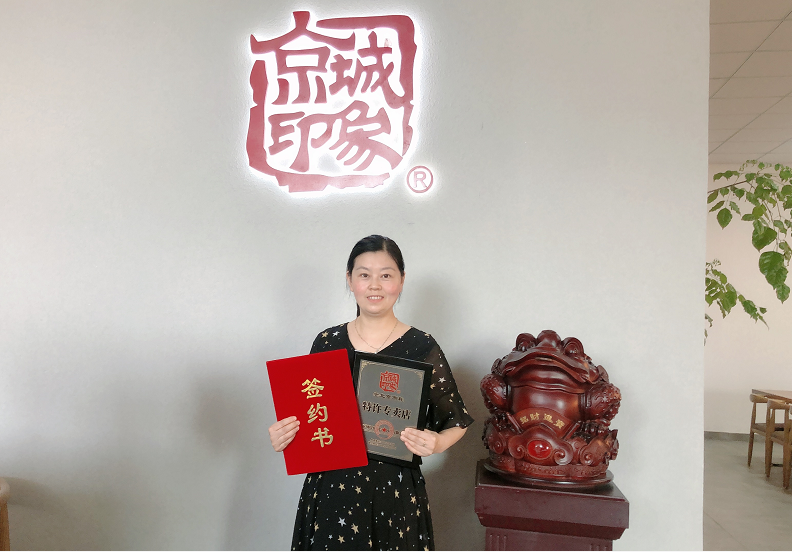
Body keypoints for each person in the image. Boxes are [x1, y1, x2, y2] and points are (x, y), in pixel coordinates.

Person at [269, 235, 474, 551]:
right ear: (350, 280)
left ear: (401, 281)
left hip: (395, 492)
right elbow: (311, 418)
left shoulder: (421, 346)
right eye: (364, 274)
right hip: (332, 491)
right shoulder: (327, 342)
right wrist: (286, 435)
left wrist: (438, 443)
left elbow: (456, 420)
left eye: (386, 275)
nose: (375, 285)